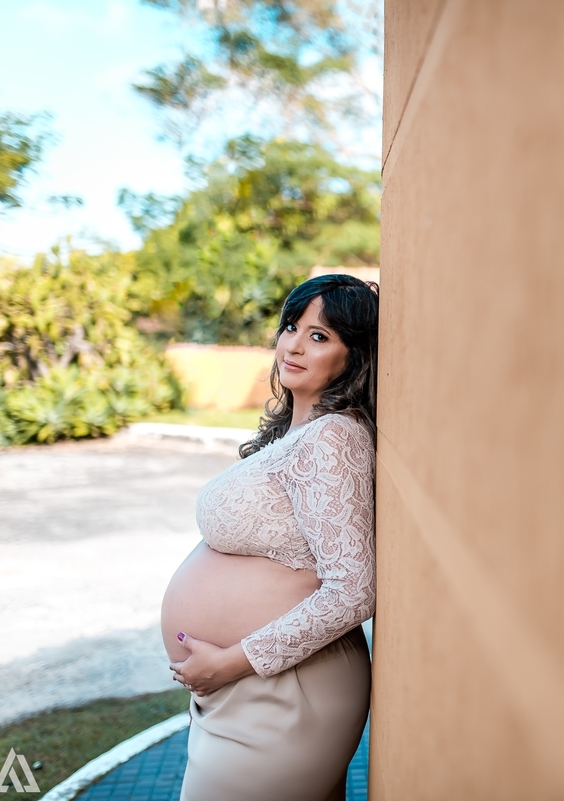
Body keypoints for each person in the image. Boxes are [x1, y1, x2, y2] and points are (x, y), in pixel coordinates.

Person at [160, 274, 379, 801]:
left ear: (355, 356)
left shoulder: (333, 436)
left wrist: (230, 662)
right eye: (291, 327)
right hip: (249, 690)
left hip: (283, 693)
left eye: (321, 336)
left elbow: (355, 589)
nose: (295, 345)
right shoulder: (296, 434)